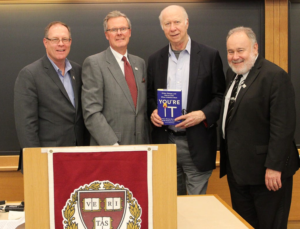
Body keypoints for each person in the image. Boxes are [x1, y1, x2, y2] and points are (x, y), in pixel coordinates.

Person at [220, 26, 300, 229]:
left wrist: (274, 167)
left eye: (240, 50)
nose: (235, 56)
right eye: (230, 52)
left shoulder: (274, 76)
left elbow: (283, 126)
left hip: (267, 175)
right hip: (239, 174)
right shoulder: (232, 75)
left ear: (255, 48)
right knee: (244, 225)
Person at [147, 5, 225, 195]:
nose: (173, 28)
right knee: (170, 205)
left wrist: (203, 114)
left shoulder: (209, 56)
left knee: (194, 208)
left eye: (177, 22)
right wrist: (153, 112)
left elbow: (220, 96)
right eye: (167, 23)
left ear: (187, 23)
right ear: (162, 28)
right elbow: (149, 97)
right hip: (165, 144)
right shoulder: (155, 59)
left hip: (196, 144)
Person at [14, 21, 86, 153]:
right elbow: (26, 125)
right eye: (55, 39)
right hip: (47, 157)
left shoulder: (78, 71)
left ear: (70, 42)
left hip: (78, 156)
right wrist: (35, 160)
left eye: (65, 39)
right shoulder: (30, 74)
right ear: (45, 42)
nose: (61, 44)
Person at [81, 11, 149, 145]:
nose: (119, 33)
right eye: (113, 29)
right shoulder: (95, 63)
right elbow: (91, 112)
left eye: (123, 29)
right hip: (111, 149)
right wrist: (113, 145)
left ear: (129, 32)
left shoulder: (139, 63)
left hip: (141, 147)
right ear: (107, 35)